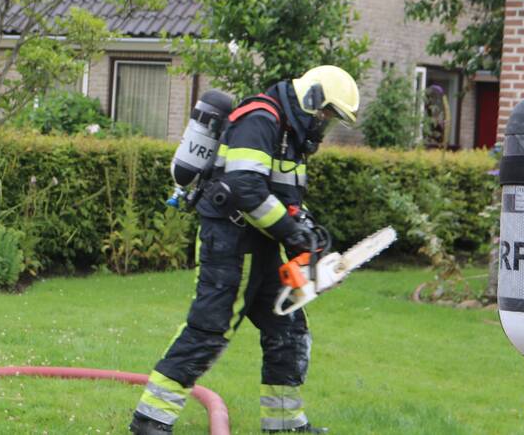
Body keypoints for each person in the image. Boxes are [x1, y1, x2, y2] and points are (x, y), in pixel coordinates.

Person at [130, 65, 360, 435]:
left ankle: (284, 424)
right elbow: (244, 188)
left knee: (288, 331)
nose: (325, 125)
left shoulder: (289, 132)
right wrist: (291, 233)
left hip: (260, 246)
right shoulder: (261, 119)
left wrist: (307, 232)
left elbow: (286, 196)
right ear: (314, 100)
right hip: (231, 243)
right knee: (210, 328)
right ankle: (151, 419)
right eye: (328, 116)